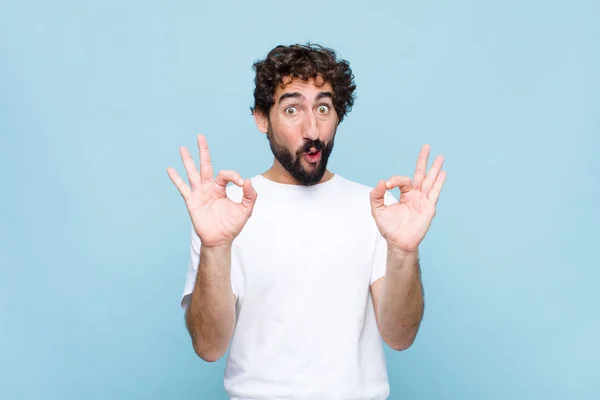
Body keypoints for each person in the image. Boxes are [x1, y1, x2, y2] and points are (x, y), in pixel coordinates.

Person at [167, 43, 446, 400]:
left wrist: (404, 251)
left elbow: (400, 336)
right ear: (262, 118)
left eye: (324, 108)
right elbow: (208, 347)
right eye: (292, 109)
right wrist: (216, 247)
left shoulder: (376, 208)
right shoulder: (222, 212)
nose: (312, 129)